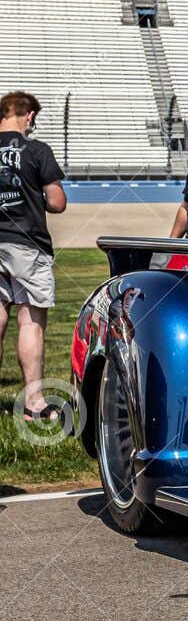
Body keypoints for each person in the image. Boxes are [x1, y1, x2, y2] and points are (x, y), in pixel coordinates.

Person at [0, 91, 68, 423]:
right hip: (26, 240)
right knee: (30, 320)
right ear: (29, 117)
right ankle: (34, 403)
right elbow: (56, 202)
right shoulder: (36, 149)